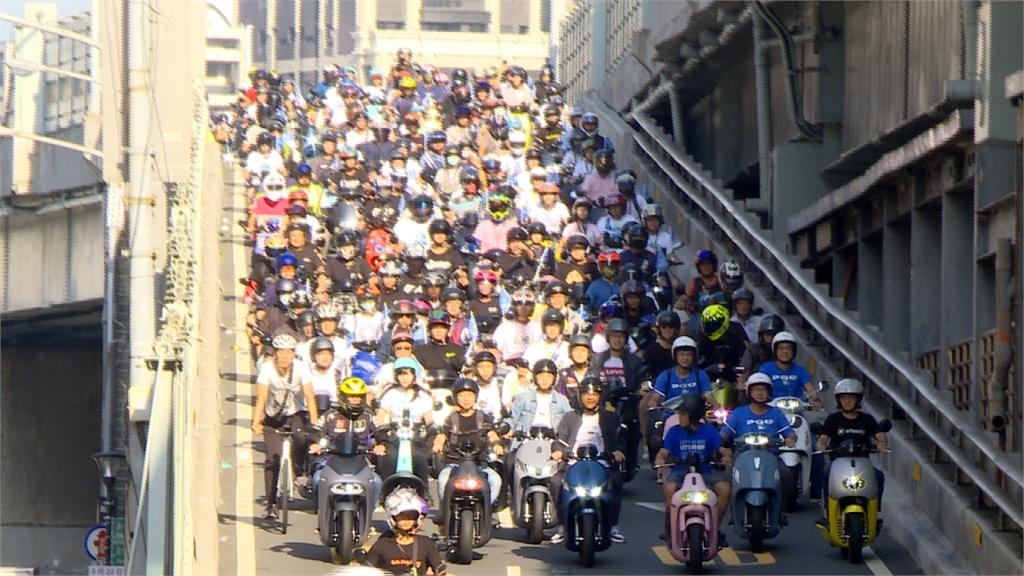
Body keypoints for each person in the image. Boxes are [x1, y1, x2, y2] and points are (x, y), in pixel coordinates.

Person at [548, 376, 628, 544]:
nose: (590, 397)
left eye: (594, 394)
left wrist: (618, 451)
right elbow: (559, 439)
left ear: (600, 396)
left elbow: (620, 438)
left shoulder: (610, 418)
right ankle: (562, 525)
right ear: (580, 396)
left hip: (602, 464)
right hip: (573, 464)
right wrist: (557, 451)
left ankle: (613, 526)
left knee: (616, 481)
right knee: (556, 482)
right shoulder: (569, 417)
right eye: (586, 394)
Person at [251, 333, 320, 518]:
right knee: (272, 459)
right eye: (280, 352)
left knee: (300, 438)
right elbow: (261, 397)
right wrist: (256, 422)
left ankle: (299, 471)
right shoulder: (267, 369)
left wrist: (315, 424)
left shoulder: (301, 368)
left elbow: (309, 396)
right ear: (275, 353)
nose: (284, 357)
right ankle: (271, 503)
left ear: (293, 354)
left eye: (288, 352)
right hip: (273, 418)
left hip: (294, 414)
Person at [654, 393, 731, 541]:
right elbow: (664, 451)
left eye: (683, 414)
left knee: (725, 490)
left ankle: (714, 528)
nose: (679, 417)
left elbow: (723, 449)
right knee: (669, 489)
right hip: (680, 473)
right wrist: (660, 459)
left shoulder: (709, 431)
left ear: (693, 415)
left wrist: (726, 456)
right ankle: (670, 529)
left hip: (704, 473)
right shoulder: (674, 431)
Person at [815, 378, 888, 512]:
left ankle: (875, 511)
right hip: (838, 463)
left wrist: (882, 444)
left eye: (851, 398)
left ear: (858, 400)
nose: (847, 401)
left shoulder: (867, 419)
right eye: (844, 398)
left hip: (862, 463)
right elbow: (823, 438)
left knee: (878, 476)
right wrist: (821, 446)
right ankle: (827, 510)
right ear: (838, 400)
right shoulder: (833, 419)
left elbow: (879, 435)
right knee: (826, 474)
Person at [432, 379, 505, 510]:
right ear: (455, 397)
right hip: (455, 463)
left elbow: (492, 434)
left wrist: (497, 444)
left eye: (470, 395)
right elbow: (441, 435)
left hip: (479, 464)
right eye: (462, 395)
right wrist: (438, 443)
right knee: (443, 480)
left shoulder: (483, 417)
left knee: (496, 481)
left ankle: (485, 509)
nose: (466, 399)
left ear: (476, 397)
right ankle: (446, 510)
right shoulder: (451, 418)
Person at [365, 488, 449, 575]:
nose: (407, 519)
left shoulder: (426, 543)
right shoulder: (382, 544)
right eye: (401, 515)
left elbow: (441, 572)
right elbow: (366, 571)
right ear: (393, 517)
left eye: (412, 515)